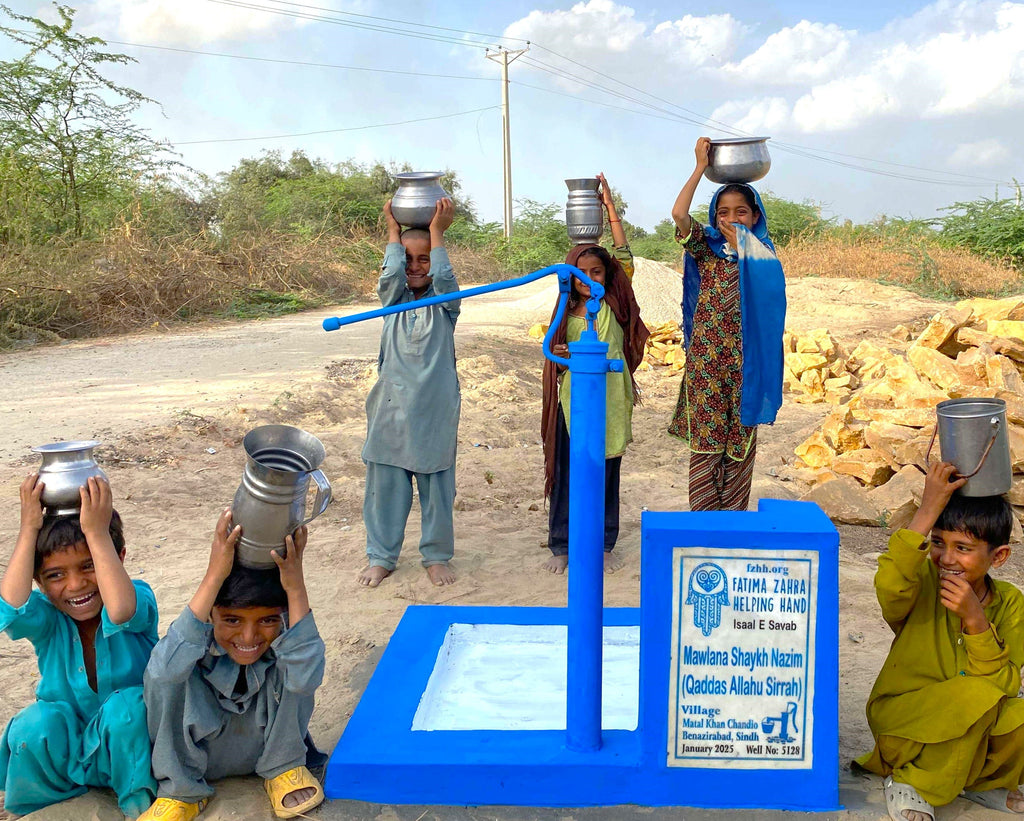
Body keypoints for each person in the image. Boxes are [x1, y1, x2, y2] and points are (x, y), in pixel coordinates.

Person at [854, 462, 1024, 821]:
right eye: (937, 543)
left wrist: (975, 620)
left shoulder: (1011, 604)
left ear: (1000, 556)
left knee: (1006, 706)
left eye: (963, 548)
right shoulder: (921, 584)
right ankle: (913, 782)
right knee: (973, 697)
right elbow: (889, 586)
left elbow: (1006, 683)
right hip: (904, 724)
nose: (946, 558)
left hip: (969, 721)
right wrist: (928, 509)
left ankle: (985, 783)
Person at [141, 510, 326, 821]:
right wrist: (215, 575)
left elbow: (306, 678)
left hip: (268, 752)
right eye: (232, 620)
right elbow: (162, 673)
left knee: (297, 664)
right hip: (198, 760)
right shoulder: (192, 649)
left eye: (267, 620)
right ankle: (180, 790)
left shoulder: (283, 650)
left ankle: (284, 769)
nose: (249, 636)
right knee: (172, 674)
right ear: (211, 614)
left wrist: (295, 587)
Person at [0, 473, 158, 818]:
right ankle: (40, 810)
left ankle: (138, 805)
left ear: (119, 557)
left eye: (89, 566)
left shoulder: (136, 597)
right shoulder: (47, 618)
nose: (75, 585)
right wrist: (28, 528)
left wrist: (97, 533)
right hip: (70, 751)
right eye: (55, 575)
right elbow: (10, 608)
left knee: (127, 707)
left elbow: (120, 609)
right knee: (32, 725)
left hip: (131, 747)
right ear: (38, 581)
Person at [668, 136, 786, 511]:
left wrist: (746, 249)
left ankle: (732, 524)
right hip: (706, 364)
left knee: (739, 447)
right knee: (706, 444)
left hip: (746, 368)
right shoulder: (707, 247)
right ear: (715, 217)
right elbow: (679, 215)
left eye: (741, 212)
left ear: (756, 216)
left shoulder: (764, 256)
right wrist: (700, 167)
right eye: (724, 212)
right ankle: (703, 524)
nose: (732, 219)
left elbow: (772, 305)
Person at [542, 173, 649, 574]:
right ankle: (562, 545)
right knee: (571, 469)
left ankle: (604, 543)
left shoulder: (616, 303)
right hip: (575, 401)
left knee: (607, 469)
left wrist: (608, 208)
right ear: (571, 277)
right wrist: (563, 352)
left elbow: (624, 257)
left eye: (598, 273)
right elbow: (552, 350)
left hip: (610, 398)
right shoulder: (566, 311)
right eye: (582, 274)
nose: (591, 281)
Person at [358, 196, 461, 588]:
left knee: (437, 489)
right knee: (384, 488)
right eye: (408, 258)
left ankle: (436, 555)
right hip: (391, 409)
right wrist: (392, 233)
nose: (417, 267)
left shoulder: (445, 305)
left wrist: (436, 233)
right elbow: (389, 277)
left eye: (424, 259)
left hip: (434, 412)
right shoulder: (391, 303)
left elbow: (446, 280)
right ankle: (381, 556)